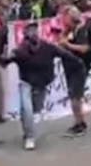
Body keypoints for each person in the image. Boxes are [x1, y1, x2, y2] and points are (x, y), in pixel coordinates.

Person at [6, 21, 84, 150]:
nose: (34, 34)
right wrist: (5, 58)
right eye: (30, 31)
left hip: (42, 83)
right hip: (26, 82)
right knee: (27, 109)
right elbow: (6, 60)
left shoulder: (48, 47)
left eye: (35, 30)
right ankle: (30, 137)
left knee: (36, 108)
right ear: (25, 36)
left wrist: (78, 62)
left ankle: (27, 126)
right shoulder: (20, 50)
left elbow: (65, 55)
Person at [58, 6, 91, 137]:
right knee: (74, 96)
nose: (63, 20)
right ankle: (78, 121)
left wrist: (67, 45)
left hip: (80, 67)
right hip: (70, 66)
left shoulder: (82, 30)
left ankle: (80, 125)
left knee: (76, 97)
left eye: (65, 17)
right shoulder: (71, 30)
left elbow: (85, 48)